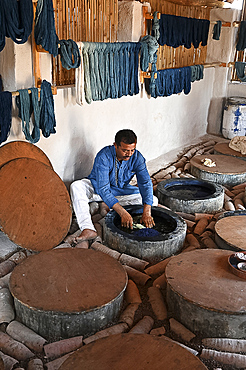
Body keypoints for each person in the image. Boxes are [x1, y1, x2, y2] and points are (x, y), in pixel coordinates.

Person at [70, 129, 158, 243]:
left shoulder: (137, 157)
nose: (129, 154)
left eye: (132, 150)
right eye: (125, 150)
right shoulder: (103, 156)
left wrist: (146, 212)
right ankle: (88, 228)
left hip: (120, 192)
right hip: (97, 190)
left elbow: (145, 183)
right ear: (115, 145)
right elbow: (103, 189)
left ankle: (107, 205)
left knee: (152, 201)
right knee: (76, 186)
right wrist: (122, 212)